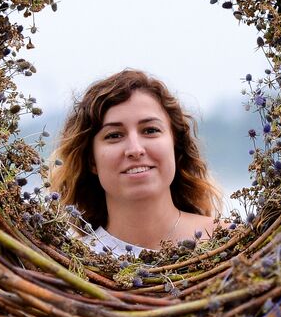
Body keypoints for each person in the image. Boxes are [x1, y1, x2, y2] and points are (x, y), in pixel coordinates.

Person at [51, 69, 221, 255]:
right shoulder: (72, 263)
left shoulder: (233, 244)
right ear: (92, 160)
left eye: (150, 130)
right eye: (114, 135)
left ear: (175, 144)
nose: (135, 150)